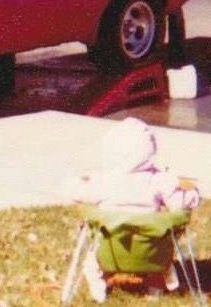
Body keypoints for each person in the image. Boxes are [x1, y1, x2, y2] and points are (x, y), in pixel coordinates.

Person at [66, 117, 200, 302]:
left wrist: (75, 182)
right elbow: (180, 203)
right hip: (152, 254)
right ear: (150, 150)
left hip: (110, 253)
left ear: (110, 150)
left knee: (92, 260)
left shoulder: (104, 181)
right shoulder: (159, 180)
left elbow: (78, 193)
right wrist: (193, 194)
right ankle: (155, 287)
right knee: (159, 241)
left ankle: (98, 290)